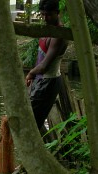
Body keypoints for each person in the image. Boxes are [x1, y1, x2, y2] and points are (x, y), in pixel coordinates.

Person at [25, 0, 68, 130]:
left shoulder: (60, 34)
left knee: (32, 123)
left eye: (48, 15)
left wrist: (31, 73)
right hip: (41, 80)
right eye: (42, 14)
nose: (45, 18)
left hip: (48, 82)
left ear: (57, 13)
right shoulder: (49, 29)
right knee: (33, 120)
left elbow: (44, 66)